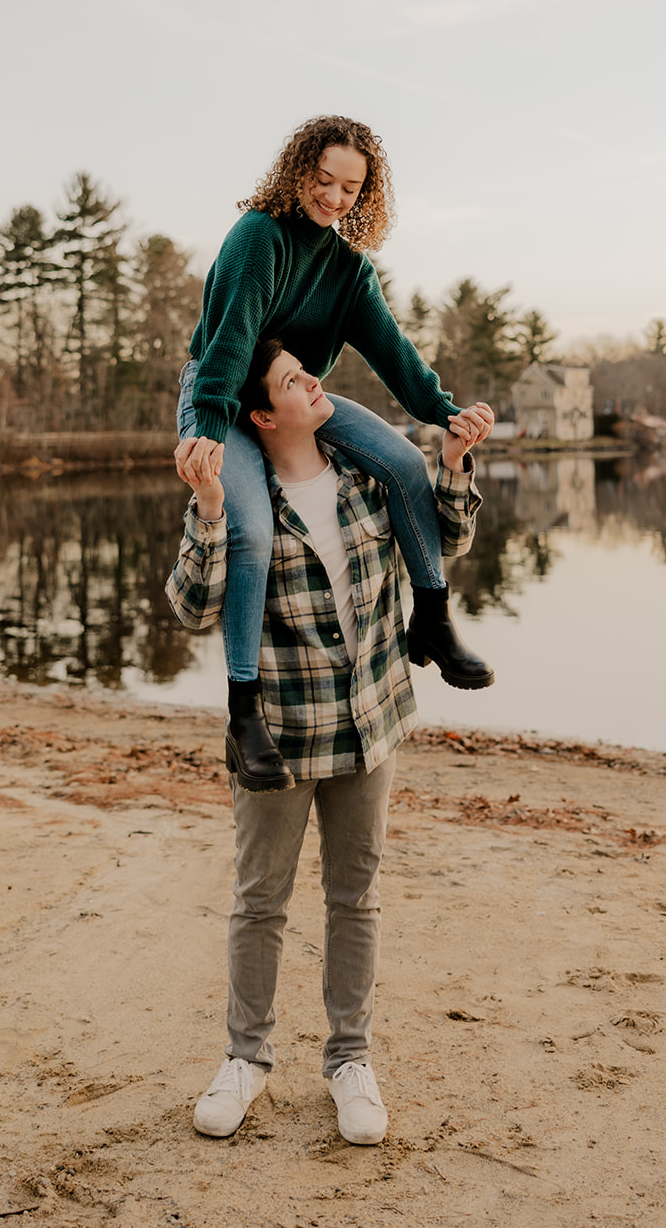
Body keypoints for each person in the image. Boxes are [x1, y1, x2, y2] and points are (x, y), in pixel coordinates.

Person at [166, 337, 482, 1145]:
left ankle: (349, 1061)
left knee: (355, 899)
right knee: (260, 901)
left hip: (370, 721)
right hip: (279, 734)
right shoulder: (238, 497)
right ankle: (246, 1060)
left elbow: (441, 542)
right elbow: (192, 609)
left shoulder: (370, 476)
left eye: (309, 370)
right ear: (263, 414)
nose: (315, 380)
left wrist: (451, 459)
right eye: (291, 379)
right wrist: (205, 510)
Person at [175, 114, 495, 793]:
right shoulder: (257, 237)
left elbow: (393, 355)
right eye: (324, 181)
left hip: (300, 394)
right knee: (253, 532)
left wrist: (445, 414)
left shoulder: (350, 270)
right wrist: (206, 424)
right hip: (222, 392)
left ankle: (432, 622)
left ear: (365, 194)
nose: (334, 198)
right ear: (298, 173)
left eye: (350, 188)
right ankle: (243, 712)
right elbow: (231, 339)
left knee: (407, 464)